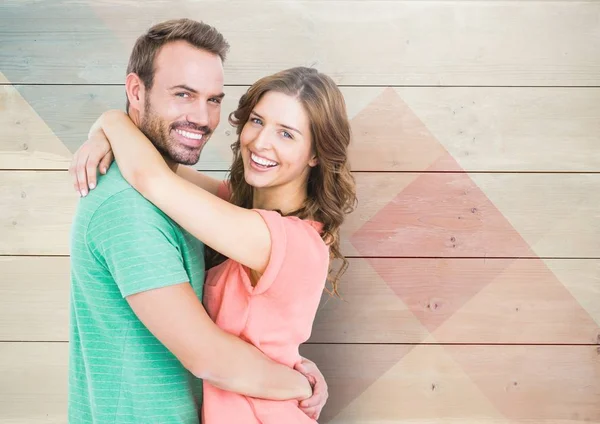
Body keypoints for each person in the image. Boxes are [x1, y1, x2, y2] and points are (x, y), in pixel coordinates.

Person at [67, 19, 330, 424]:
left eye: (212, 100)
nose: (202, 117)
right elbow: (156, 175)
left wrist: (112, 122)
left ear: (316, 154)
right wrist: (110, 124)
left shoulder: (274, 234)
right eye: (183, 94)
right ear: (137, 91)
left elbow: (155, 176)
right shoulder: (143, 207)